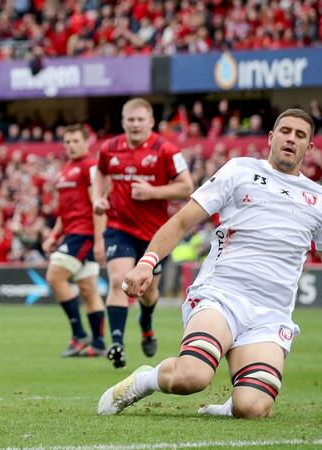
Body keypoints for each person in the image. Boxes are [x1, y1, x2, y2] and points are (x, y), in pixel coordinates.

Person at [98, 108, 318, 419]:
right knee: (193, 376)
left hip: (270, 314)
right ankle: (143, 381)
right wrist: (147, 263)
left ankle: (232, 402)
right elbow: (181, 221)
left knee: (251, 408)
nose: (290, 139)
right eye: (285, 131)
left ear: (309, 147)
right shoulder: (239, 171)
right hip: (221, 295)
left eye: (300, 135)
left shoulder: (317, 199)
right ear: (271, 137)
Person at [92, 98, 194, 369]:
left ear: (150, 122)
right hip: (118, 228)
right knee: (119, 282)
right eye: (130, 120)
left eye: (140, 120)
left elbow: (187, 186)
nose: (135, 124)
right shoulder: (109, 148)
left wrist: (153, 192)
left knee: (148, 294)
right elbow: (100, 175)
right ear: (123, 122)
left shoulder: (166, 149)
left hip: (154, 236)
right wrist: (97, 199)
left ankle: (147, 323)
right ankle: (116, 344)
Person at [41, 125, 107, 357]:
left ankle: (79, 334)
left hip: (85, 234)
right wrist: (54, 235)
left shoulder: (90, 167)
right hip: (71, 232)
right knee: (88, 289)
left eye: (75, 141)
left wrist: (99, 240)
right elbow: (65, 210)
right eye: (67, 142)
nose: (70, 145)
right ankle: (98, 344)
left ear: (87, 142)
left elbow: (98, 205)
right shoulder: (67, 168)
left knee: (54, 276)